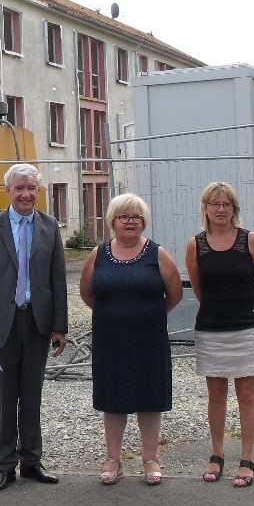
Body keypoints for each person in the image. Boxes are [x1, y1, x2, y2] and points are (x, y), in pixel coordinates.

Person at [0, 163, 68, 492]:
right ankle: (5, 464)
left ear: (38, 192)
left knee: (32, 395)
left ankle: (32, 461)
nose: (26, 194)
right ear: (8, 191)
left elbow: (57, 280)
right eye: (20, 188)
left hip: (37, 322)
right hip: (2, 324)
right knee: (5, 396)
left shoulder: (50, 227)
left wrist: (59, 325)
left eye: (32, 189)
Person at [79, 193, 183, 486]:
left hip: (149, 338)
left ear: (143, 222)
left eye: (136, 217)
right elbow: (87, 292)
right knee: (113, 398)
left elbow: (174, 293)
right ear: (112, 221)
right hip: (110, 338)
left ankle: (151, 460)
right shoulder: (98, 254)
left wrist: (148, 314)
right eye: (124, 216)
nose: (130, 222)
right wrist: (113, 313)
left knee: (149, 398)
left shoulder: (157, 254)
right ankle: (113, 459)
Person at [184, 182, 254, 488]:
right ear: (205, 208)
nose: (220, 209)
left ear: (235, 209)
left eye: (226, 204)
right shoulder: (196, 244)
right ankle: (217, 454)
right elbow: (198, 288)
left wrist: (247, 312)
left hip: (247, 327)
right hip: (212, 328)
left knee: (246, 394)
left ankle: (247, 458)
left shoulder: (251, 241)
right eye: (214, 204)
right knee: (216, 394)